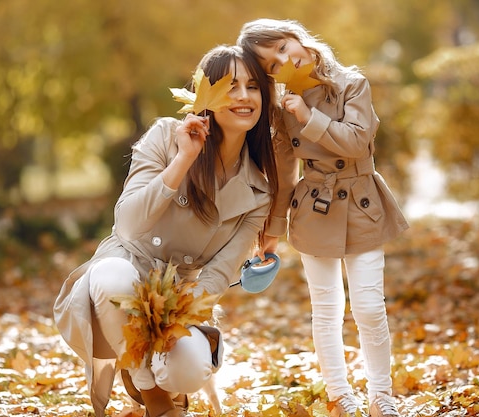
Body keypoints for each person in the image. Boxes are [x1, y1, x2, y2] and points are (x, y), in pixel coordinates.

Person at [53, 44, 278, 417]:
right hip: (128, 262)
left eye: (253, 87)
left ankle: (164, 375)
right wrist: (184, 158)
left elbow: (221, 272)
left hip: (180, 291)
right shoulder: (165, 135)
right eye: (230, 85)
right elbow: (128, 223)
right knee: (114, 280)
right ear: (206, 93)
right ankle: (148, 387)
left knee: (190, 368)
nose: (243, 96)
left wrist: (177, 317)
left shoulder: (259, 189)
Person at [237, 19, 409, 417]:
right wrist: (273, 230)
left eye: (283, 46)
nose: (285, 59)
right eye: (272, 65)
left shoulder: (351, 83)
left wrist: (309, 117)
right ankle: (340, 394)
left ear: (296, 36)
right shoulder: (283, 110)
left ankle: (381, 394)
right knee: (327, 308)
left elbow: (356, 141)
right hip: (315, 208)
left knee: (368, 305)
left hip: (362, 202)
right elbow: (283, 174)